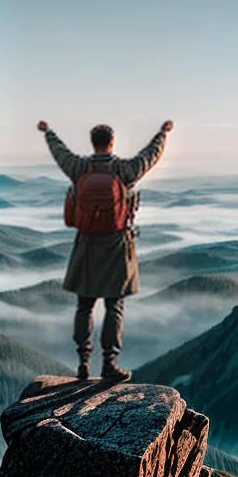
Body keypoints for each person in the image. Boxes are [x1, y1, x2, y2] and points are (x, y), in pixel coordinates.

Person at [37, 118, 173, 381]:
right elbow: (150, 156)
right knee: (114, 305)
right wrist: (162, 133)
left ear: (93, 143)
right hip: (117, 245)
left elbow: (60, 152)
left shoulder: (79, 168)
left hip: (86, 245)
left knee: (84, 306)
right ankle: (109, 363)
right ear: (111, 143)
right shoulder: (124, 170)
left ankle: (83, 364)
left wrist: (49, 132)